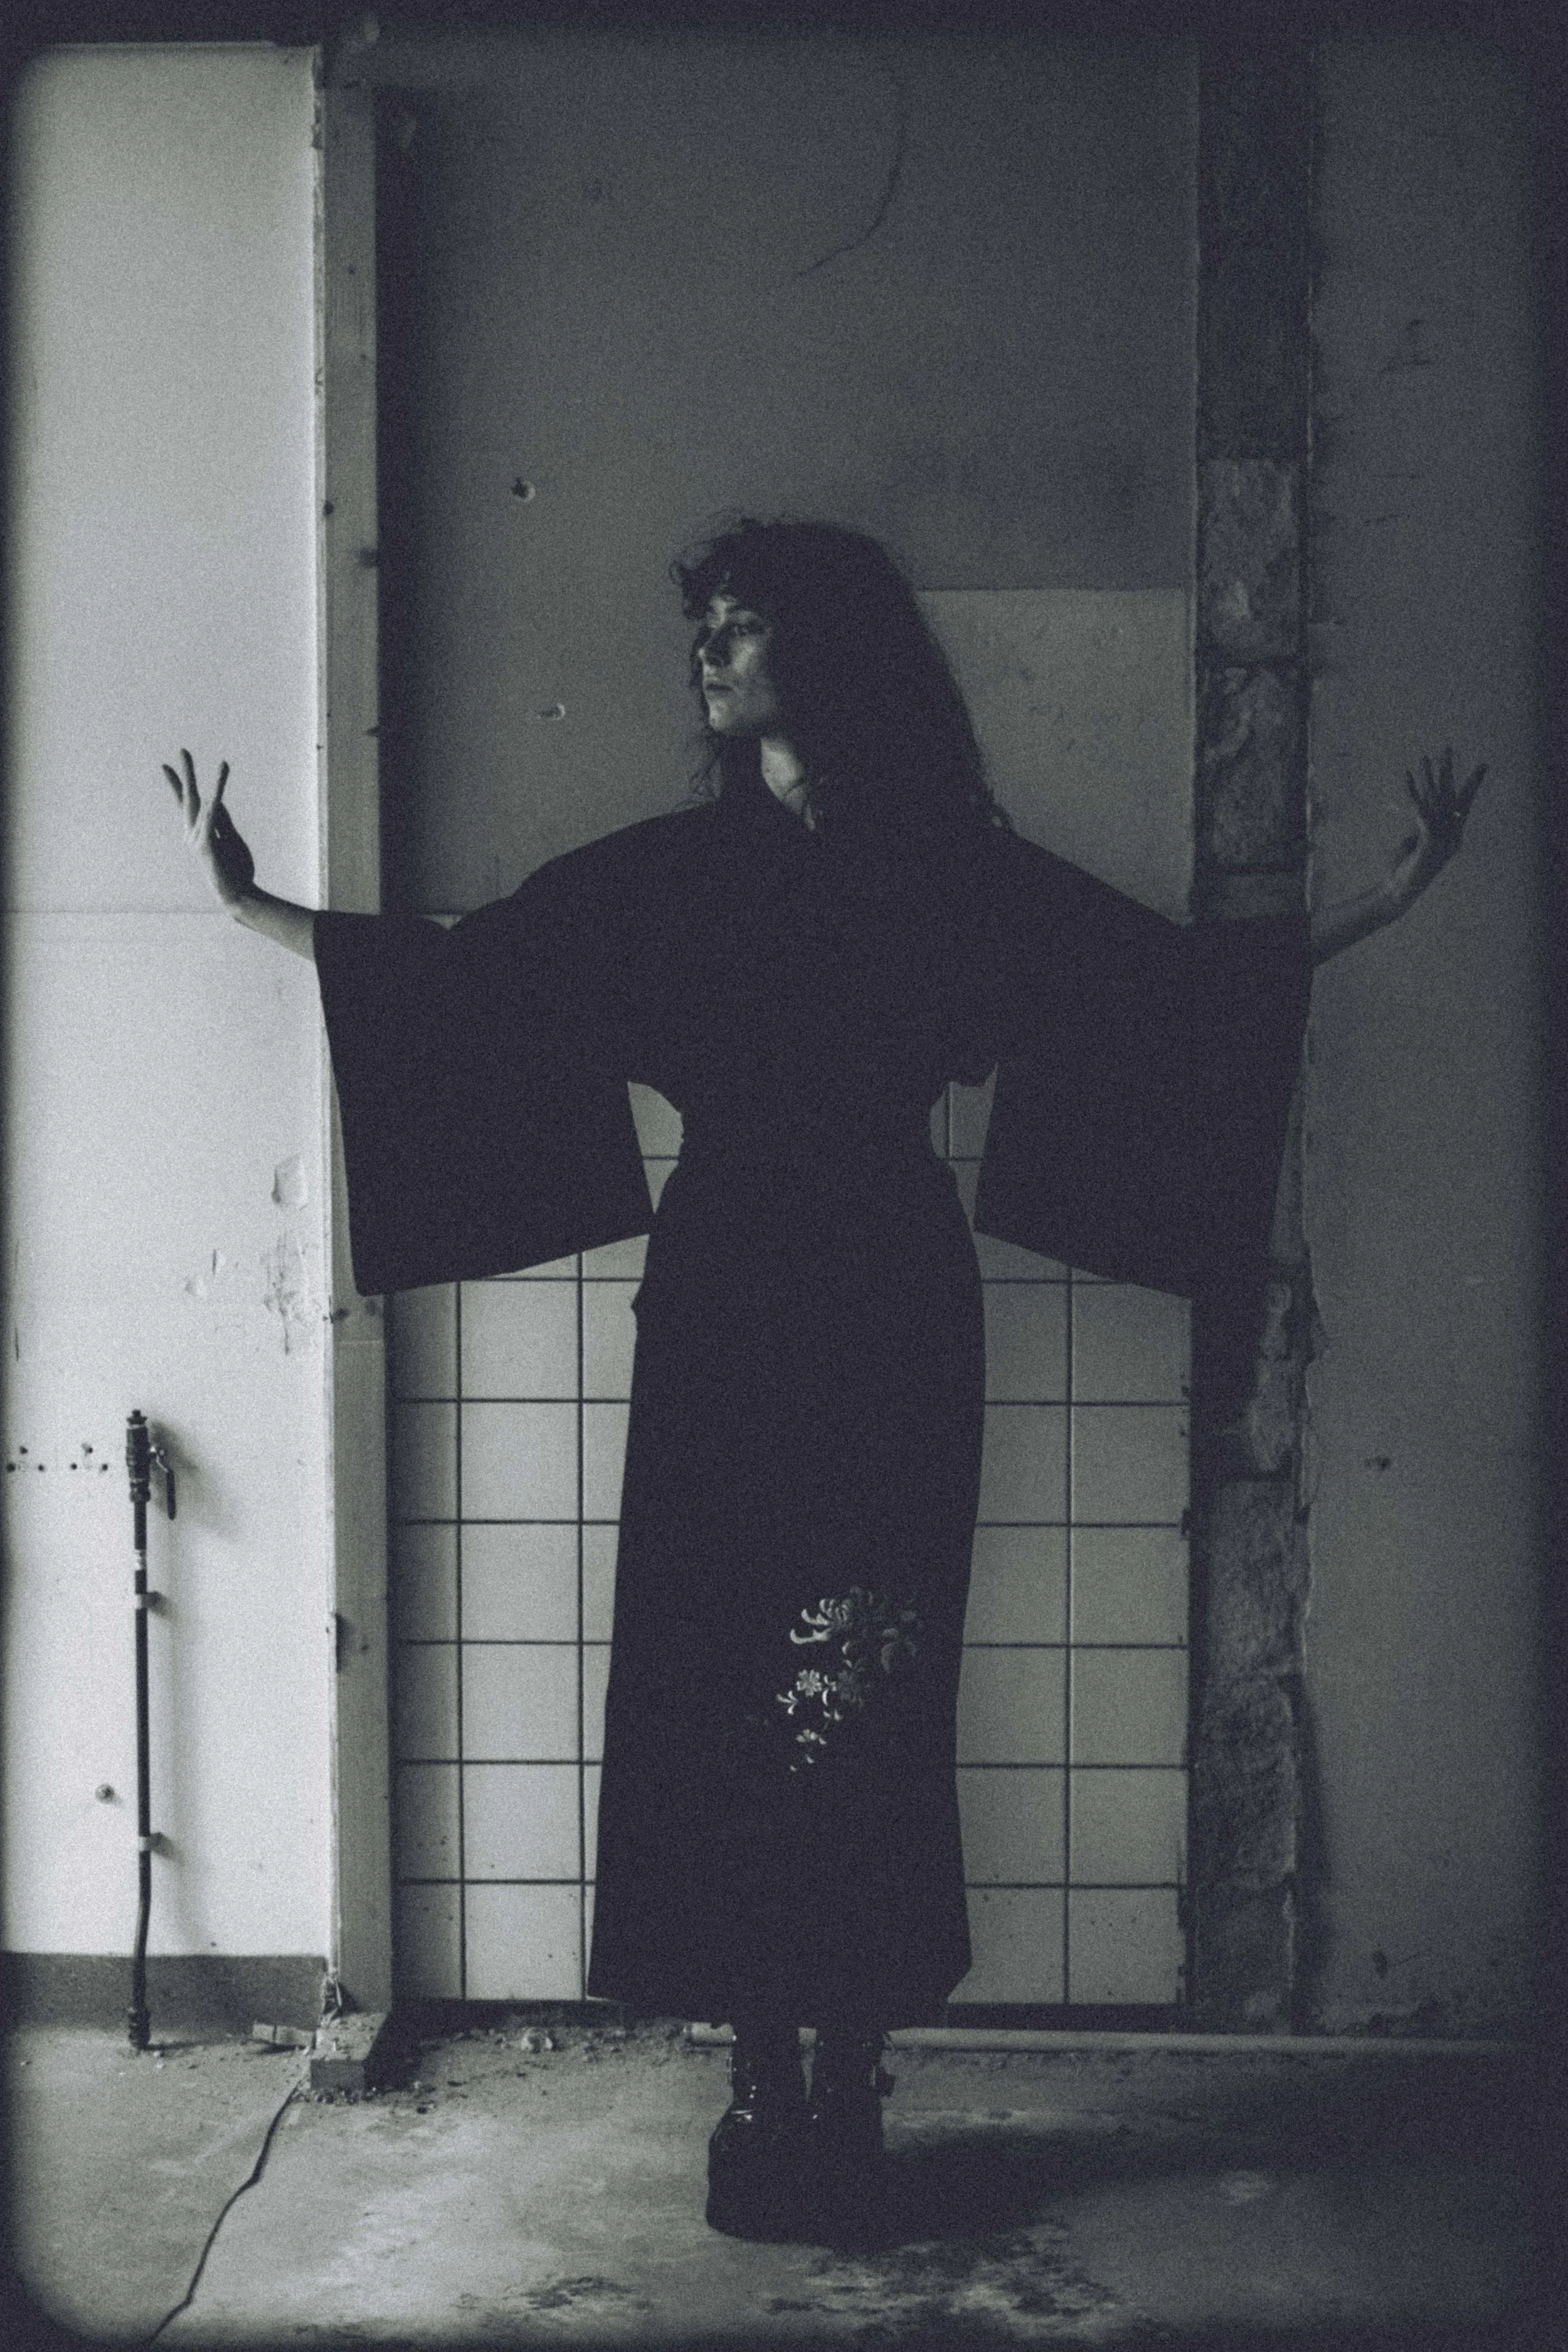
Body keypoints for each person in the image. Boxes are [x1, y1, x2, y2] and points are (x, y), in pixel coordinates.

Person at [166, 517, 1484, 2245]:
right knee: (711, 1684)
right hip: (722, 1308)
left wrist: (1385, 897)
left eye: (738, 625)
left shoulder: (951, 870)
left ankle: (850, 2072)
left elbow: (1151, 982)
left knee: (868, 1693)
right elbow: (476, 968)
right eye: (704, 629)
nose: (706, 655)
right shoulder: (672, 874)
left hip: (888, 1310)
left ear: (830, 650)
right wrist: (252, 906)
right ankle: (756, 2076)